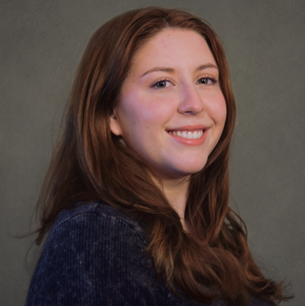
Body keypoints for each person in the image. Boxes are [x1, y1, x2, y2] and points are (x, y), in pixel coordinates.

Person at [26, 7, 291, 306]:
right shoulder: (96, 235)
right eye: (162, 83)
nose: (194, 104)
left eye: (205, 80)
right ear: (110, 114)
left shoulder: (219, 238)